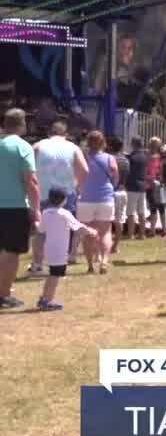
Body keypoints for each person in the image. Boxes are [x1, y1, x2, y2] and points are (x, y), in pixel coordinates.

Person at [29, 120, 87, 274]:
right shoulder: (73, 147)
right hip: (65, 194)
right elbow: (85, 170)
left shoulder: (38, 146)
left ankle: (37, 263)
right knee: (64, 228)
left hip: (43, 193)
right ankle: (61, 261)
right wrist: (77, 186)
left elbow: (28, 169)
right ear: (66, 134)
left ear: (49, 133)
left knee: (41, 231)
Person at [0, 108, 40, 309]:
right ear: (22, 124)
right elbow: (31, 181)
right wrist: (36, 208)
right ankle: (4, 295)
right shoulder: (23, 147)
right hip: (14, 206)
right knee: (11, 251)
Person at [34, 187, 98, 311]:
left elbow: (40, 229)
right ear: (63, 200)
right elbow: (78, 228)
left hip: (49, 250)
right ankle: (47, 301)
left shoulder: (46, 213)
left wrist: (36, 223)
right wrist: (91, 231)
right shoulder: (65, 213)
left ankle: (44, 298)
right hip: (60, 251)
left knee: (52, 274)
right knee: (55, 277)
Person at [79, 130, 118, 274]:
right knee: (105, 232)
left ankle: (90, 265)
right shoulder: (109, 158)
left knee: (87, 232)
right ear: (103, 143)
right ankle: (104, 261)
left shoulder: (83, 157)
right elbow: (115, 175)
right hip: (105, 197)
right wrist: (111, 186)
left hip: (86, 198)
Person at [107, 135, 129, 254]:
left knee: (108, 220)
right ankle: (115, 246)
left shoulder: (109, 159)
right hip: (122, 190)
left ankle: (107, 243)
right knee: (119, 220)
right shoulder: (125, 160)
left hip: (111, 191)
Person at [125, 137, 150, 239]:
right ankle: (142, 234)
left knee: (131, 212)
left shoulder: (131, 158)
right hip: (142, 186)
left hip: (132, 186)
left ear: (133, 144)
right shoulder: (145, 156)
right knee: (142, 211)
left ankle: (131, 234)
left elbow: (128, 172)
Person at [145, 137, 166, 238]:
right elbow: (162, 171)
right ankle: (163, 229)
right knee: (160, 208)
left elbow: (146, 172)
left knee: (154, 208)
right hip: (158, 184)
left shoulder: (148, 157)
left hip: (151, 185)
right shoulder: (161, 157)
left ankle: (153, 230)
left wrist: (151, 179)